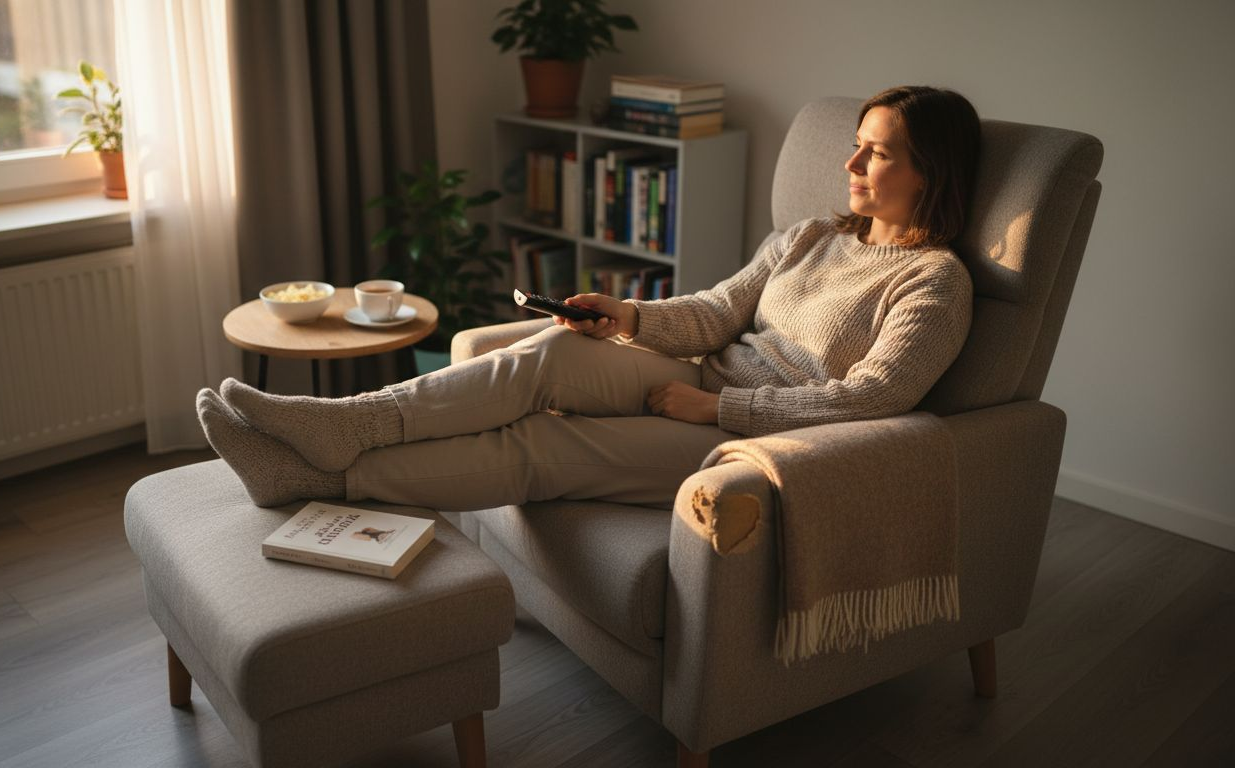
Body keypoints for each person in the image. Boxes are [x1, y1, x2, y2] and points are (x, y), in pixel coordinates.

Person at [197, 85, 980, 510]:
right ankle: (344, 424)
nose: (851, 160)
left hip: (756, 440)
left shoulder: (934, 282)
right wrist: (629, 316)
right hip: (703, 379)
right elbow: (717, 311)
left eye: (876, 152)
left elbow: (880, 396)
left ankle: (321, 481)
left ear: (929, 171)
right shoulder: (811, 234)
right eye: (857, 141)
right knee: (557, 349)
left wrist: (723, 413)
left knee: (546, 447)